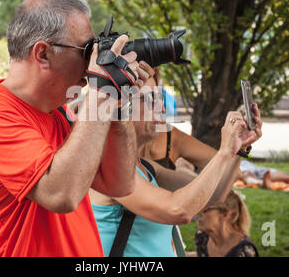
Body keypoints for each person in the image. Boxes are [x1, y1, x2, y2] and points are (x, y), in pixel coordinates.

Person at [0, 0, 155, 256]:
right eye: (86, 50)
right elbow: (61, 194)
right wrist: (101, 92)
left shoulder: (58, 113)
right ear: (43, 54)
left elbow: (119, 184)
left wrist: (116, 104)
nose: (90, 64)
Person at [90, 76, 263, 256]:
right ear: (122, 107)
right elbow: (178, 210)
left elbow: (215, 195)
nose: (162, 108)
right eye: (152, 100)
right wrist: (224, 151)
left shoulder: (146, 168)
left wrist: (238, 149)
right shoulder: (110, 167)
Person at [195, 190, 259, 257]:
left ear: (225, 215)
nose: (198, 213)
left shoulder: (244, 251)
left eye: (205, 210)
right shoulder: (202, 237)